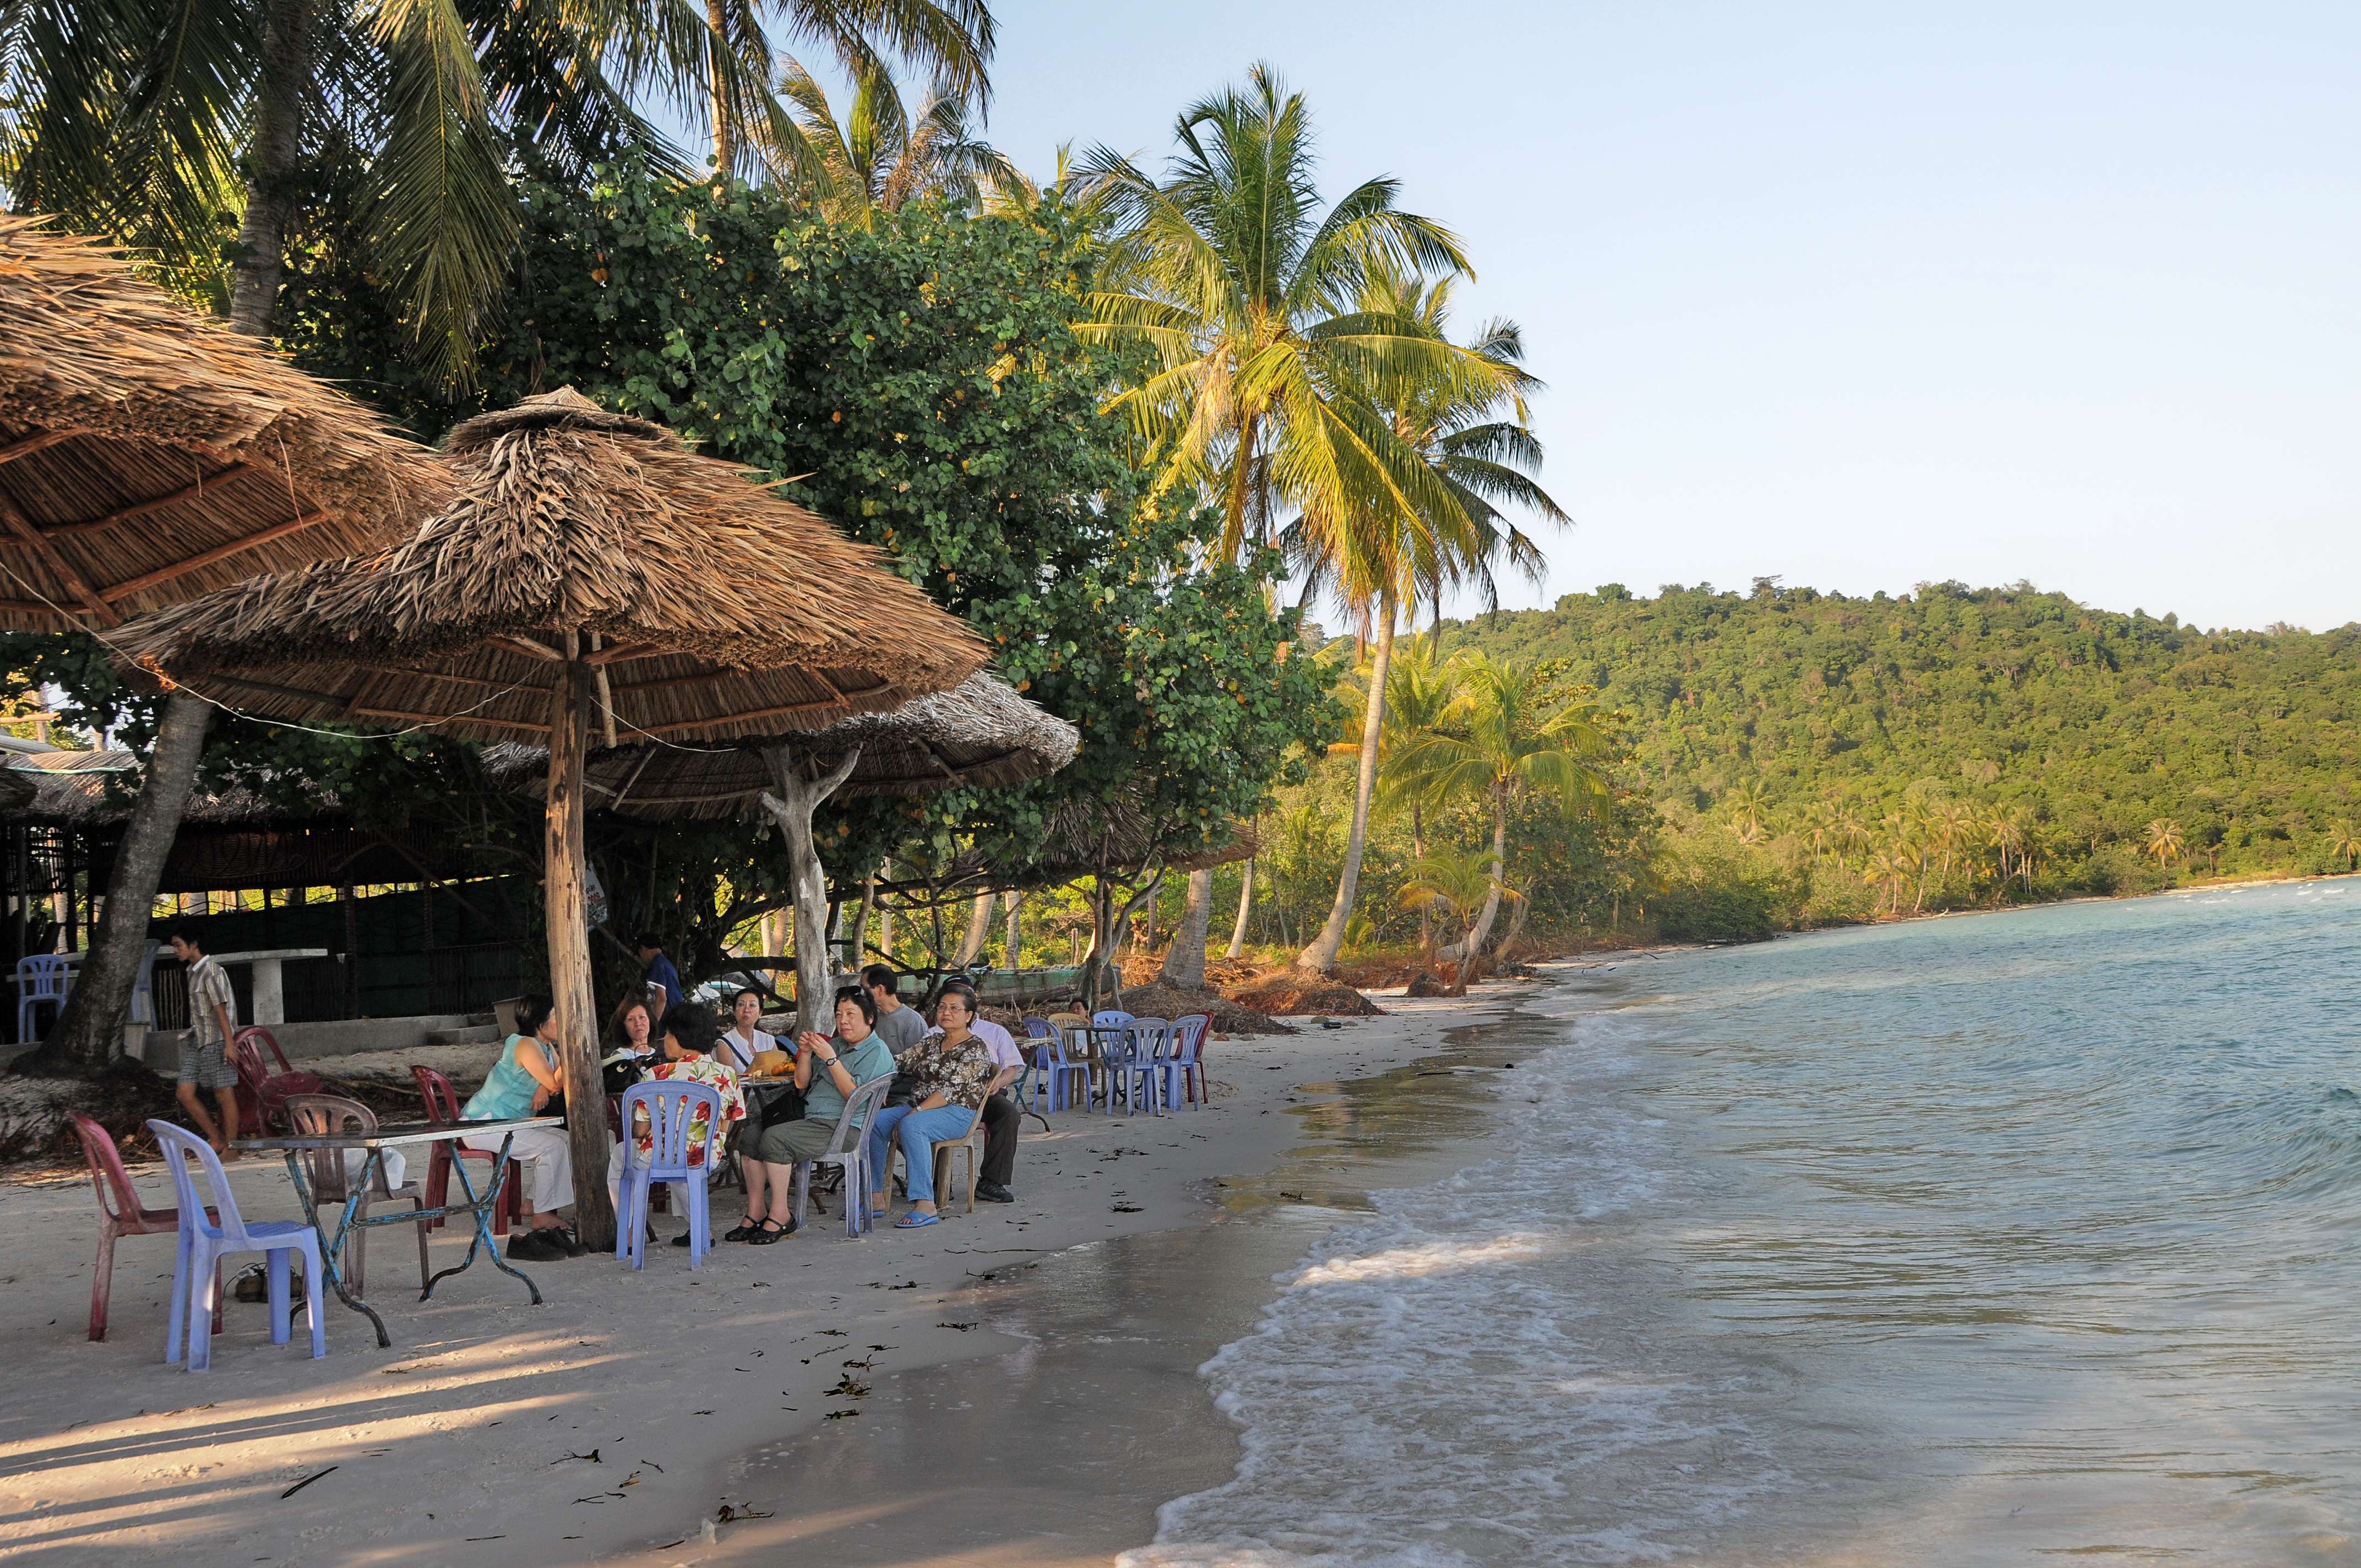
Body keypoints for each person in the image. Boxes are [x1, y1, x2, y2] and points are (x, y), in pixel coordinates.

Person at [732, 987, 897, 1242]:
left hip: (843, 1128)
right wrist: (807, 1055)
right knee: (752, 1135)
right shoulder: (836, 1044)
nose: (843, 1020)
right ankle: (756, 1211)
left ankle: (781, 1215)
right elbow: (800, 1084)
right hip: (811, 1120)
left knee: (775, 1139)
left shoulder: (876, 1051)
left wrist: (832, 1060)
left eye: (851, 1014)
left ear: (870, 1018)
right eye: (839, 1014)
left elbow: (853, 1095)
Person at [865, 983, 1018, 1229]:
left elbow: (950, 1092)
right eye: (942, 1007)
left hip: (958, 1112)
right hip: (919, 1107)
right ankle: (875, 1196)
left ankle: (925, 1203)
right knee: (873, 1123)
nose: (946, 1012)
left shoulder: (976, 1048)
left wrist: (917, 1112)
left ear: (969, 1015)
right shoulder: (931, 1041)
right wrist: (876, 1075)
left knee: (913, 1126)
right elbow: (898, 1062)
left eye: (955, 1009)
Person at [605, 1000, 747, 1248]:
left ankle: (627, 1234)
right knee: (683, 1165)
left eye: (669, 1034)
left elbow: (640, 1131)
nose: (665, 1040)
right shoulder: (727, 1074)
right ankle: (701, 1230)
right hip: (706, 1156)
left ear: (680, 1038)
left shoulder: (655, 1075)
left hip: (660, 1156)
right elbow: (727, 1124)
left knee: (621, 1155)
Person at [460, 994, 583, 1262]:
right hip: (486, 1124)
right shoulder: (526, 1044)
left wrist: (545, 1083)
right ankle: (542, 1216)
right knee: (551, 1146)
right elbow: (556, 1082)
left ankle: (533, 1204)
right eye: (555, 1018)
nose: (560, 1022)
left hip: (511, 1124)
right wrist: (554, 1075)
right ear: (540, 1023)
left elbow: (554, 1080)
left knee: (563, 1140)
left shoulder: (546, 1047)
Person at [169, 925, 242, 1159]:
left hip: (217, 1040)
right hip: (198, 1039)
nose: (175, 950)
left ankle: (232, 1147)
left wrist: (229, 1044)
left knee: (224, 1094)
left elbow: (220, 1010)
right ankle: (217, 1138)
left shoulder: (212, 971)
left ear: (193, 946)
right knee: (185, 1092)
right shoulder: (193, 971)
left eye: (178, 945)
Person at [962, 1011, 1025, 1205]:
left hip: (987, 1096)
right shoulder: (933, 1034)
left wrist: (997, 1083)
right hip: (946, 1098)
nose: (949, 1012)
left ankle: (991, 1181)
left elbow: (1011, 1068)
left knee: (1009, 1114)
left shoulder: (994, 1032)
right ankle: (937, 1180)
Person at [862, 963, 928, 1052]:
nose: (862, 995)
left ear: (881, 989)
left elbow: (917, 1060)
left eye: (865, 990)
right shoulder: (870, 1017)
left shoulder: (913, 1022)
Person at [602, 994, 656, 1095]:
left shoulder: (660, 1053)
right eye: (631, 1019)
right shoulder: (620, 1059)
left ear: (650, 1020)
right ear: (623, 1026)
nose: (638, 1023)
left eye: (642, 1017)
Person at [716, 988, 776, 1072]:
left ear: (760, 1013)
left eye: (752, 1005)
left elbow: (778, 1071)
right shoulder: (724, 1044)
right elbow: (731, 1081)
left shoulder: (769, 1040)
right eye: (741, 1005)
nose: (746, 1010)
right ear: (734, 1011)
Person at [637, 933, 686, 1015]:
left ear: (643, 948)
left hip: (668, 1019)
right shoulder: (664, 963)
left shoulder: (657, 966)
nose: (641, 957)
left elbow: (661, 998)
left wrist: (654, 1024)